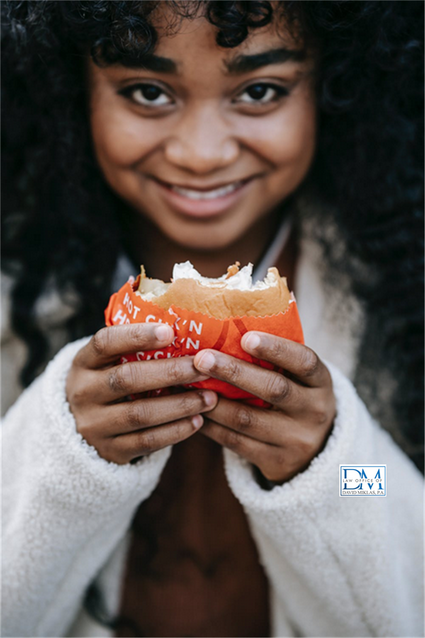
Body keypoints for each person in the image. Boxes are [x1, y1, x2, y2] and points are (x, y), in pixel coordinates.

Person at [1, 1, 423, 637]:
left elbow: (379, 502)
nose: (201, 154)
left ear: (332, 90)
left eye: (259, 91)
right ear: (73, 95)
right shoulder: (15, 304)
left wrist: (330, 463)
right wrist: (60, 446)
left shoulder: (401, 307)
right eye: (147, 92)